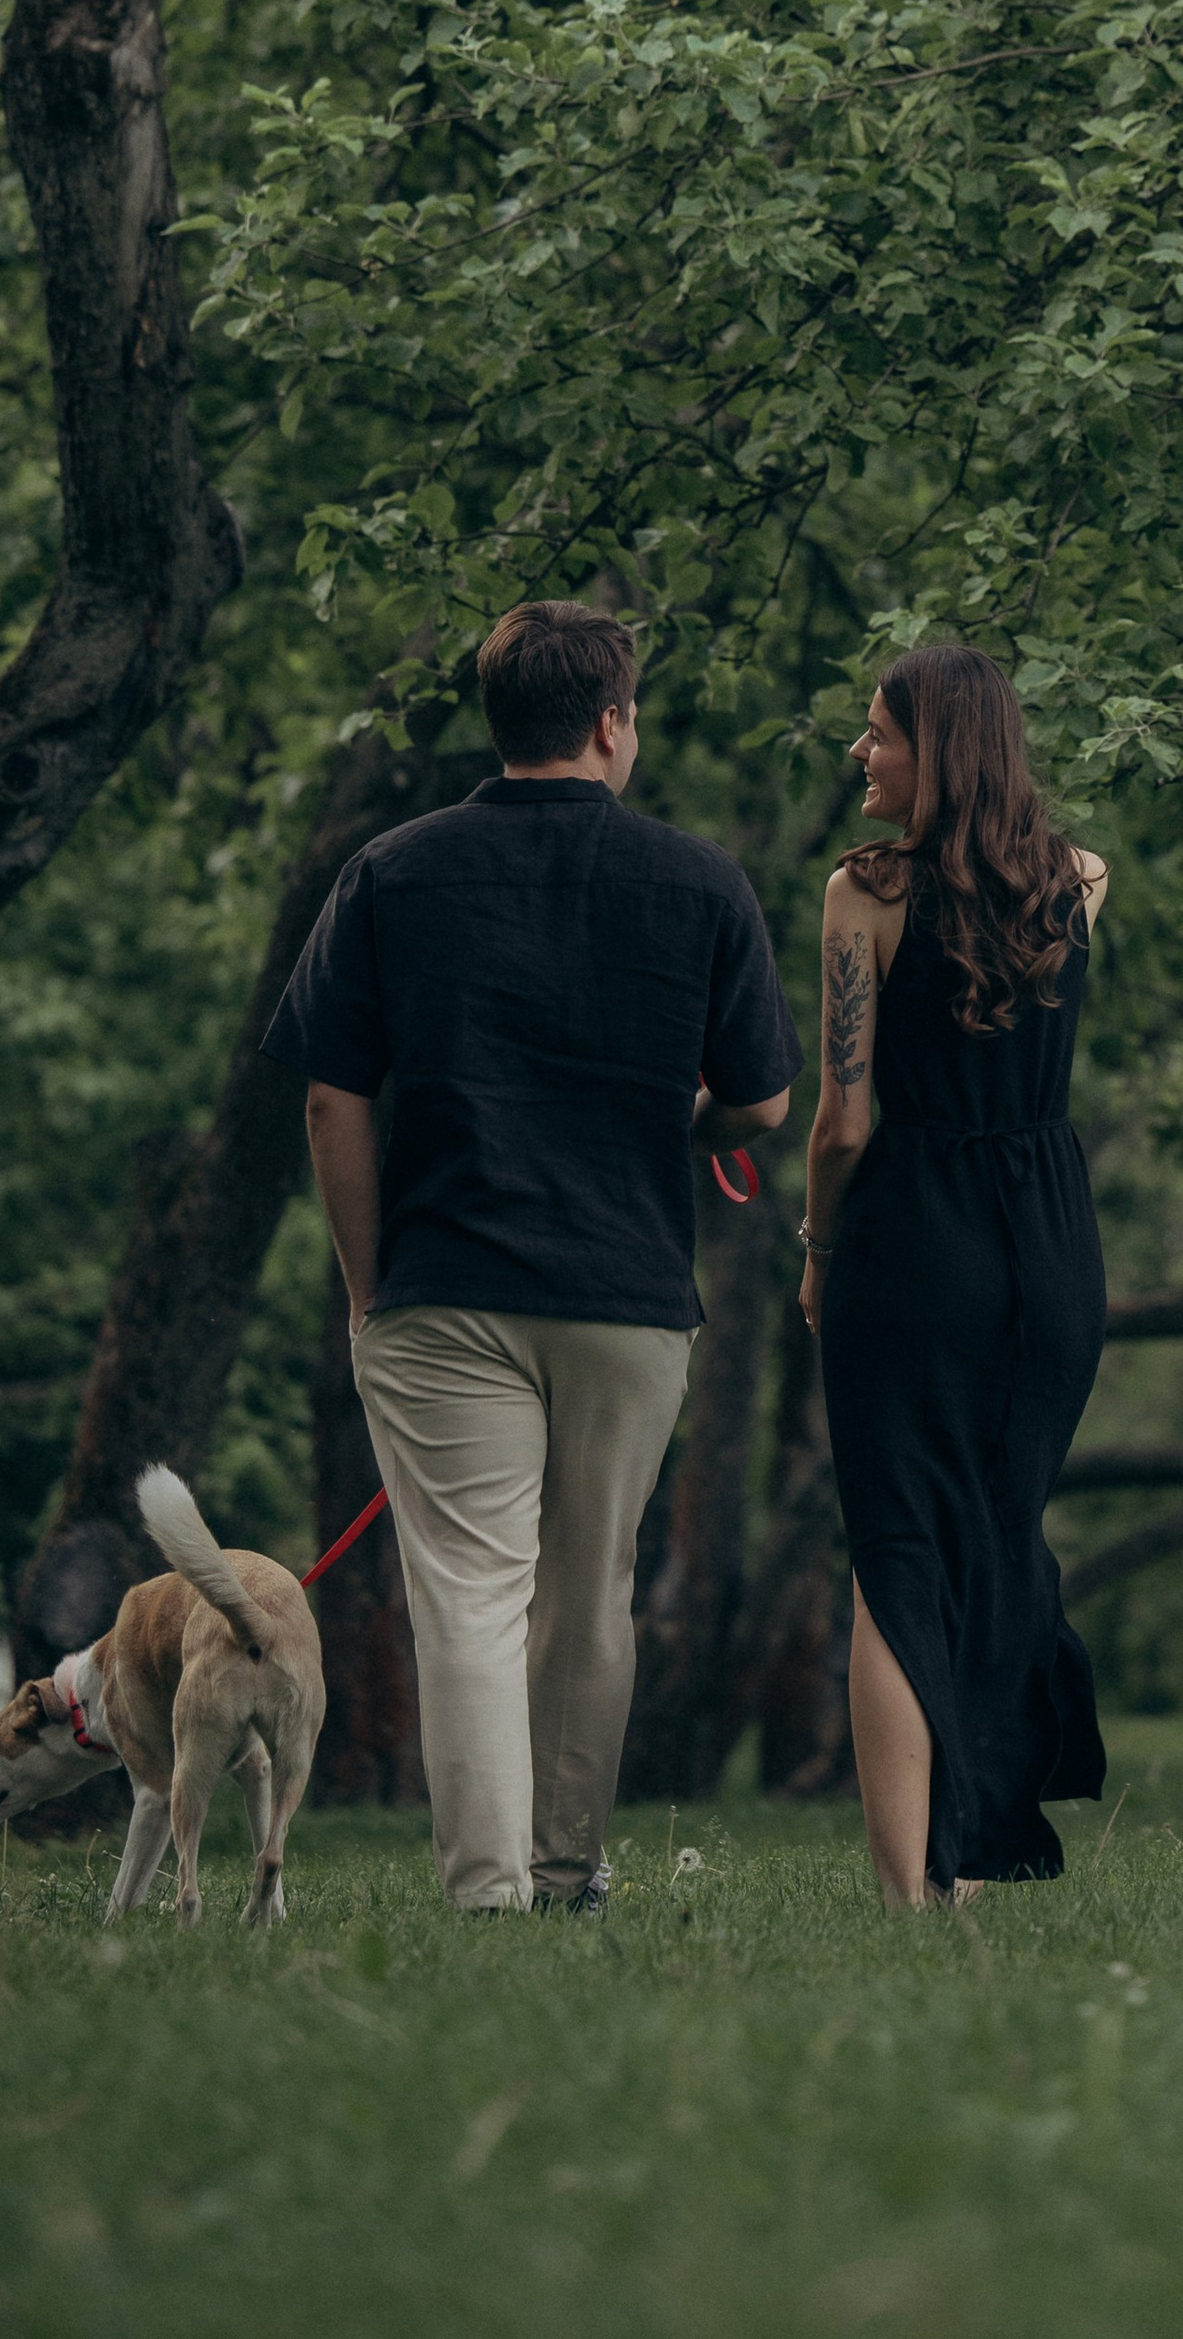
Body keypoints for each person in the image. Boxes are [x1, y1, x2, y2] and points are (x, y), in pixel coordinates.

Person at [266, 601, 796, 1912]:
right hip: (626, 1294)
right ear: (612, 723)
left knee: (467, 1598)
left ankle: (487, 1890)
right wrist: (685, 1117)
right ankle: (563, 1871)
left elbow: (331, 1099)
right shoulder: (701, 882)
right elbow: (763, 1102)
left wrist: (366, 1286)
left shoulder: (391, 871)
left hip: (444, 1287)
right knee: (590, 1596)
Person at [800, 642, 1111, 1906]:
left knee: (896, 1557)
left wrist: (818, 1254)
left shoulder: (863, 893)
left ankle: (909, 1891)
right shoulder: (1082, 881)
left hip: (913, 1242)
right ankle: (972, 1864)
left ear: (940, 751)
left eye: (878, 733)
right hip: (1051, 1246)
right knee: (994, 1537)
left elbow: (841, 1124)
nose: (859, 753)